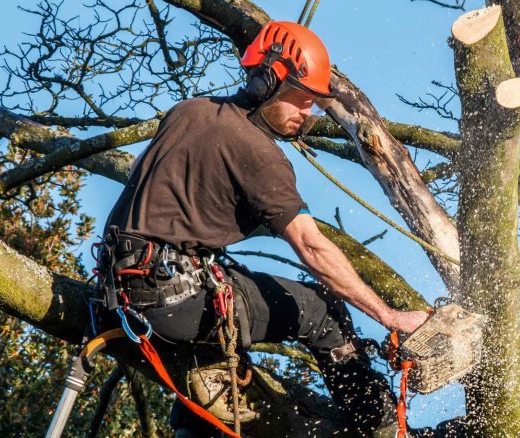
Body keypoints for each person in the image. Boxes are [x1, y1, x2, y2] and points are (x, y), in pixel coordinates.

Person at [100, 21, 429, 437]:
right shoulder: (259, 154)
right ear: (268, 82)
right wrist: (389, 315)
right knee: (321, 310)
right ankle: (381, 429)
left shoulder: (188, 112)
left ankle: (193, 428)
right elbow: (311, 246)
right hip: (173, 299)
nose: (306, 115)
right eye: (301, 101)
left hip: (118, 294)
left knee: (227, 332)